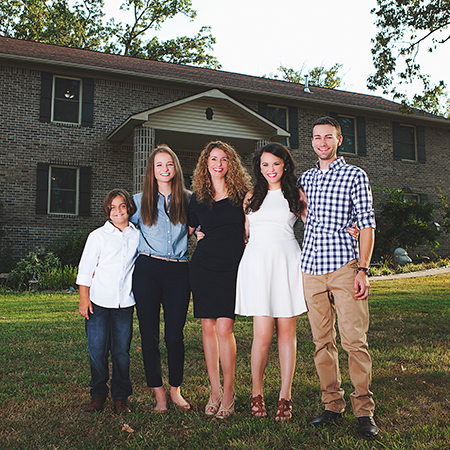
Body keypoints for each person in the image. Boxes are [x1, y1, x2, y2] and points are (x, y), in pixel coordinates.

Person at [298, 117, 378, 439]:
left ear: (339, 140)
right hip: (311, 268)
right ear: (313, 141)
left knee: (354, 341)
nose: (322, 143)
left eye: (328, 137)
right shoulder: (305, 178)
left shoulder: (354, 175)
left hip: (345, 267)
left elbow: (368, 223)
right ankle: (332, 404)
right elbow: (303, 213)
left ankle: (364, 411)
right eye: (317, 138)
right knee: (321, 342)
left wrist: (363, 269)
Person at [235, 143, 308, 421]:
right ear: (259, 167)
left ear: (285, 165)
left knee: (287, 333)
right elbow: (244, 233)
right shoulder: (251, 196)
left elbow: (315, 226)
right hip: (257, 264)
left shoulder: (296, 195)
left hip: (287, 262)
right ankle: (257, 393)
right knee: (262, 335)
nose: (270, 169)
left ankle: (285, 396)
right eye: (265, 165)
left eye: (275, 164)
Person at [188, 140, 252, 418]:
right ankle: (214, 391)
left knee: (225, 329)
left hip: (232, 267)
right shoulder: (197, 197)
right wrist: (195, 234)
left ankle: (229, 391)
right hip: (203, 266)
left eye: (224, 159)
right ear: (206, 163)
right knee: (207, 327)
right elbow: (190, 227)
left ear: (231, 164)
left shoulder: (243, 196)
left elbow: (255, 226)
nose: (218, 164)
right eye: (213, 159)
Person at [131, 146, 191, 412]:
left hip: (179, 272)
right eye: (159, 165)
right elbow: (118, 231)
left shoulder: (189, 200)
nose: (165, 169)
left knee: (175, 336)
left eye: (169, 164)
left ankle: (176, 389)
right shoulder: (137, 200)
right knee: (149, 335)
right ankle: (159, 395)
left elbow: (204, 227)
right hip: (147, 271)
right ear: (151, 171)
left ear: (176, 167)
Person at [77, 188, 139, 414]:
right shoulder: (97, 236)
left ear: (129, 208)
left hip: (125, 303)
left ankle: (120, 397)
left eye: (122, 206)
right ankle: (98, 394)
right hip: (99, 302)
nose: (118, 211)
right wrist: (84, 299)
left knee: (121, 351)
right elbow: (85, 270)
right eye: (113, 207)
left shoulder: (137, 235)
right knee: (97, 349)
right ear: (107, 210)